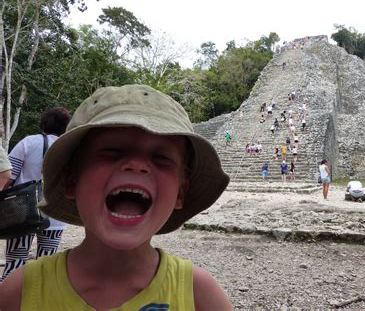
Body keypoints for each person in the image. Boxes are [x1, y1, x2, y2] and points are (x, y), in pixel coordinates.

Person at [0, 84, 233, 310]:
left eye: (161, 157)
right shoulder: (19, 293)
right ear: (72, 181)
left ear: (180, 193)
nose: (137, 164)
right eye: (112, 151)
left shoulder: (200, 296)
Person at [1, 107, 71, 282]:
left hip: (22, 212)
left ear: (44, 123)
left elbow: (9, 176)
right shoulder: (70, 148)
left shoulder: (29, 142)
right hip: (55, 215)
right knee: (45, 265)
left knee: (15, 263)